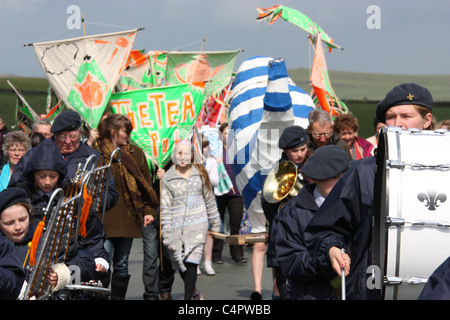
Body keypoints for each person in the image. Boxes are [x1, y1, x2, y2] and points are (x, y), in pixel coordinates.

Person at [304, 82, 435, 300]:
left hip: (433, 287)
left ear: (427, 120)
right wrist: (332, 249)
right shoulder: (361, 172)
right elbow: (326, 229)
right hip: (371, 287)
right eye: (391, 117)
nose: (397, 123)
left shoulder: (444, 172)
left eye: (406, 116)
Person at [8, 110, 117, 288]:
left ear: (81, 133)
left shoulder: (93, 158)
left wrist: (85, 204)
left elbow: (110, 194)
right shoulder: (35, 155)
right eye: (62, 137)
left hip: (77, 228)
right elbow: (14, 191)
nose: (67, 141)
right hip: (37, 227)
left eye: (72, 136)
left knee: (87, 271)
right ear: (54, 135)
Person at [94, 113, 159, 300]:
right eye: (125, 131)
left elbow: (144, 184)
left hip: (129, 217)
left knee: (122, 263)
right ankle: (100, 297)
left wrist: (148, 210)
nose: (128, 135)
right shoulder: (97, 151)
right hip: (103, 217)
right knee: (102, 262)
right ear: (113, 131)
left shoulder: (135, 153)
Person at [274, 145, 350, 299]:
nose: (343, 183)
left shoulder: (354, 205)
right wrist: (324, 261)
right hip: (309, 294)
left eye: (345, 177)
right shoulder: (292, 212)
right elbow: (289, 259)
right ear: (317, 178)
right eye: (335, 178)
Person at [0, 187, 96, 298]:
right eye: (9, 223)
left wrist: (64, 273)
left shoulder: (48, 237)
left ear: (30, 215)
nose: (18, 227)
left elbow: (87, 261)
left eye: (22, 219)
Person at [160, 140, 221, 300]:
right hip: (176, 228)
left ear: (192, 155)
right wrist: (166, 232)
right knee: (180, 263)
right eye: (179, 153)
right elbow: (165, 207)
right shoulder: (168, 178)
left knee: (192, 263)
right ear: (174, 155)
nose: (183, 157)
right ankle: (195, 294)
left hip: (197, 226)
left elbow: (209, 199)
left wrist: (215, 223)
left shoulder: (200, 175)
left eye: (186, 153)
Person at [261, 125, 310, 299]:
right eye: (294, 150)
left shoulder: (311, 166)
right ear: (285, 151)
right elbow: (267, 202)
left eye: (303, 149)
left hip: (305, 231)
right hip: (282, 230)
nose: (299, 154)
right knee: (280, 278)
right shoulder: (278, 171)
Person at [212, 123, 247, 265]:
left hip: (236, 191)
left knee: (236, 222)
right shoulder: (215, 150)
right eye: (226, 133)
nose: (228, 136)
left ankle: (237, 253)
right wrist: (214, 161)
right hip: (219, 191)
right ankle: (216, 254)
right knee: (218, 224)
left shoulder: (239, 150)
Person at [200, 135, 219, 276]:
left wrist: (203, 172)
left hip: (207, 199)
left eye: (204, 146)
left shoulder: (211, 162)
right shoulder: (186, 162)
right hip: (192, 201)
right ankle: (192, 263)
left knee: (208, 232)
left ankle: (207, 262)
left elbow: (215, 182)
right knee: (192, 232)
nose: (203, 149)